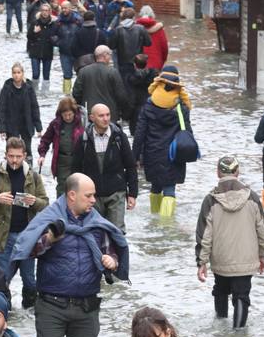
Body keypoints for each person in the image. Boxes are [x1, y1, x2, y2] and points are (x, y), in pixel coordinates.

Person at [11, 173, 128, 337]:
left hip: (87, 306)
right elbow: (30, 249)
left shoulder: (97, 223)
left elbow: (112, 250)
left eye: (94, 195)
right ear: (71, 196)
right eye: (89, 195)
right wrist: (51, 238)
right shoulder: (49, 220)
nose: (94, 200)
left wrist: (112, 261)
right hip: (52, 304)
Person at [195, 155, 264, 329]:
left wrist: (202, 262)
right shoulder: (251, 197)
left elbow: (204, 235)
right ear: (238, 172)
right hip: (246, 259)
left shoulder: (210, 200)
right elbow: (263, 231)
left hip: (221, 259)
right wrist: (262, 255)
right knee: (242, 296)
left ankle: (220, 332)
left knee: (220, 291)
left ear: (217, 173)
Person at [0, 137, 48, 309]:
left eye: (18, 156)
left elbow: (45, 203)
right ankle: (5, 313)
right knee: (2, 280)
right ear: (6, 155)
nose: (14, 160)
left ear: (25, 155)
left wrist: (34, 201)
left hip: (28, 236)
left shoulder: (33, 177)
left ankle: (29, 315)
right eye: (11, 156)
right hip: (3, 236)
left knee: (30, 281)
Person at [132, 79, 194, 217]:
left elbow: (139, 133)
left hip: (152, 153)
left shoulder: (148, 106)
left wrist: (134, 157)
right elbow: (188, 132)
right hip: (174, 155)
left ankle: (154, 218)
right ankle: (166, 226)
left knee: (155, 187)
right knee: (169, 189)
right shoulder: (182, 108)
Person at [72, 104, 137, 232]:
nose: (106, 118)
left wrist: (133, 194)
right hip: (91, 196)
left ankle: (117, 253)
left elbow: (130, 165)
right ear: (92, 118)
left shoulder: (119, 137)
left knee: (117, 232)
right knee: (94, 231)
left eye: (108, 115)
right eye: (101, 116)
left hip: (116, 192)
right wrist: (75, 196)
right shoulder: (83, 139)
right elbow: (76, 169)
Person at [38, 97, 85, 196]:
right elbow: (45, 140)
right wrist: (42, 155)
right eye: (65, 115)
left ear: (74, 112)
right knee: (62, 188)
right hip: (62, 162)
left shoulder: (82, 122)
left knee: (78, 187)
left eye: (70, 114)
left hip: (78, 160)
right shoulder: (56, 124)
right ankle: (61, 210)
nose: (67, 117)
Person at [0, 63, 42, 159]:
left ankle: (28, 170)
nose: (16, 75)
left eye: (18, 72)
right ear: (12, 74)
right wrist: (2, 129)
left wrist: (38, 127)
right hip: (11, 124)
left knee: (27, 151)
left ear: (23, 73)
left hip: (26, 124)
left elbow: (34, 107)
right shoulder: (6, 88)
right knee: (11, 150)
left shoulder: (29, 88)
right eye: (14, 73)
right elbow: (1, 109)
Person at [73, 45, 128, 124]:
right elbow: (121, 95)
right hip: (109, 114)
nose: (110, 57)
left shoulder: (83, 71)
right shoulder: (113, 72)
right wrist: (123, 111)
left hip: (90, 113)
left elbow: (76, 93)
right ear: (105, 55)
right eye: (109, 55)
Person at [108, 8, 151, 90]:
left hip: (123, 63)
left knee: (125, 85)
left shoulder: (118, 29)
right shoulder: (141, 28)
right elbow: (148, 43)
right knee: (139, 85)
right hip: (139, 63)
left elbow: (111, 46)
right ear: (133, 17)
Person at [52, 0, 82, 95]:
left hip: (77, 52)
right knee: (67, 75)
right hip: (64, 52)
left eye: (66, 8)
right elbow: (52, 35)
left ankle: (79, 94)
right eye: (62, 8)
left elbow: (84, 33)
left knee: (80, 75)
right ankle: (67, 95)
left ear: (70, 8)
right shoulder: (58, 22)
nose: (64, 10)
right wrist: (59, 43)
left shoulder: (78, 20)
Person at [26, 2, 56, 92]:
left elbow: (57, 36)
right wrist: (34, 32)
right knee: (35, 74)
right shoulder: (35, 22)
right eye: (43, 10)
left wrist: (54, 40)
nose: (45, 12)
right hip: (35, 51)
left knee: (46, 75)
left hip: (48, 51)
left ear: (50, 12)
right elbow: (28, 36)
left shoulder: (53, 23)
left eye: (46, 11)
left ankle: (45, 93)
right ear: (40, 11)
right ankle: (34, 92)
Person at [127, 54, 155, 136]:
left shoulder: (130, 79)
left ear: (135, 65)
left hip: (136, 113)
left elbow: (130, 98)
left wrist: (126, 114)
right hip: (151, 109)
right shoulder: (154, 76)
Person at [136, 6, 169, 74]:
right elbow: (164, 47)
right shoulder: (159, 29)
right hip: (156, 64)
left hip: (138, 64)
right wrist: (163, 60)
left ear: (140, 15)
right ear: (152, 15)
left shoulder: (134, 28)